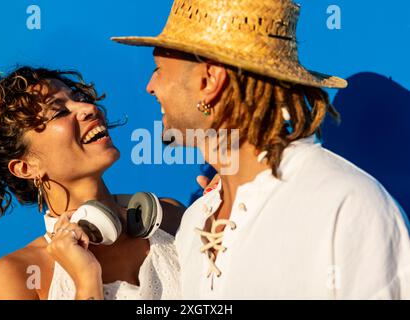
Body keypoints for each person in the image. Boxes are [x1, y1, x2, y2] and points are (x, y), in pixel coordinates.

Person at [112, 0, 410, 299]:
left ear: (210, 81)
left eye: (159, 68)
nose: (150, 86)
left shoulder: (345, 205)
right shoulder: (197, 220)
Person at [0, 66, 185, 300]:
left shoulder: (169, 218)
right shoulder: (17, 275)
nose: (89, 108)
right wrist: (86, 279)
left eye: (79, 99)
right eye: (58, 112)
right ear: (26, 168)